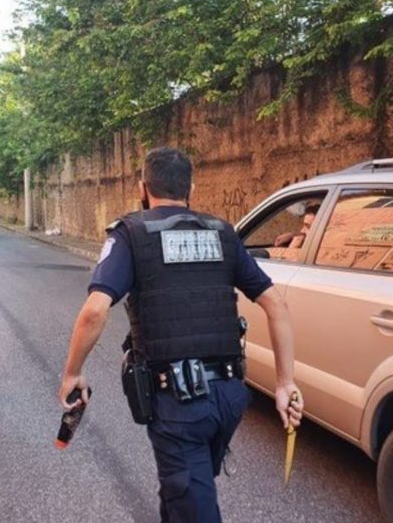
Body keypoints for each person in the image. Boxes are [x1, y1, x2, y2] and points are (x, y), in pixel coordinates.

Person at [59, 147, 304, 522]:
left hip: (179, 405)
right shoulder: (222, 233)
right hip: (229, 397)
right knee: (183, 490)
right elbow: (275, 304)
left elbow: (94, 311)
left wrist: (73, 373)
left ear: (143, 188)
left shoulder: (131, 235)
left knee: (191, 499)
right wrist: (286, 382)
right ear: (191, 187)